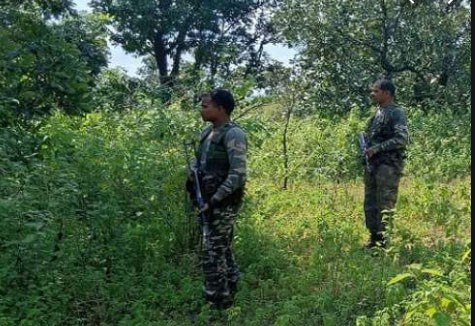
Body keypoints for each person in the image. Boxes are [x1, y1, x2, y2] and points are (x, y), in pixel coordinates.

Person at [186, 89, 247, 309]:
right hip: (207, 202)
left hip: (222, 204)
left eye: (206, 106)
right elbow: (201, 164)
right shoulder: (207, 133)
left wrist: (214, 200)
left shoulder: (233, 134)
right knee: (222, 247)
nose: (202, 109)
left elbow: (238, 174)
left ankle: (218, 303)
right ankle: (231, 286)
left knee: (212, 253)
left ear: (221, 109)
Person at [363, 79, 408, 249]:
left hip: (387, 166)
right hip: (373, 165)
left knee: (385, 203)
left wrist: (378, 148)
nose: (372, 94)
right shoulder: (377, 113)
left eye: (376, 91)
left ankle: (384, 242)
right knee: (370, 202)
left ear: (387, 93)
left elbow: (401, 139)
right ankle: (373, 238)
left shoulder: (396, 113)